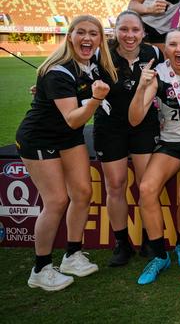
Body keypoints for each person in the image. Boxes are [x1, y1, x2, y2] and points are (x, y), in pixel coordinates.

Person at [16, 15, 116, 291]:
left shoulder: (90, 63)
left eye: (93, 34)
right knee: (57, 200)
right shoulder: (58, 71)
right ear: (70, 35)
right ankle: (41, 268)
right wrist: (96, 99)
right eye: (81, 32)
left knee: (82, 193)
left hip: (67, 137)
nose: (87, 38)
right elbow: (74, 119)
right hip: (40, 138)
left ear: (100, 39)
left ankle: (72, 254)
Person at [129, 29, 180, 285]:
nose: (179, 49)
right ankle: (159, 255)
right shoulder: (157, 76)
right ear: (165, 49)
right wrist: (141, 87)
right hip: (171, 143)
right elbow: (134, 119)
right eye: (173, 45)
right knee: (146, 188)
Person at [93, 11, 163, 266]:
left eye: (135, 30)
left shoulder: (153, 54)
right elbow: (79, 80)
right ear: (115, 30)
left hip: (144, 125)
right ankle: (122, 243)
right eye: (124, 29)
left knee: (147, 185)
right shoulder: (101, 54)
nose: (129, 35)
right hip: (109, 127)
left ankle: (150, 239)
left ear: (143, 32)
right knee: (116, 184)